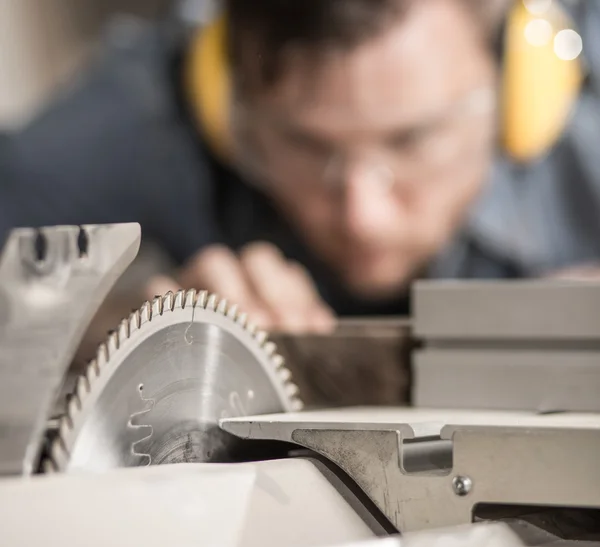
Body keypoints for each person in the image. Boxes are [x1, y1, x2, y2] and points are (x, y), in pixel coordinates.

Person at [1, 0, 600, 334]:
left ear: (525, 86)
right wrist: (98, 323)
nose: (363, 217)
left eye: (413, 140)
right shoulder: (158, 102)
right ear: (225, 100)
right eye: (308, 148)